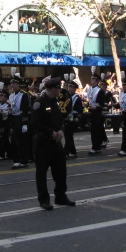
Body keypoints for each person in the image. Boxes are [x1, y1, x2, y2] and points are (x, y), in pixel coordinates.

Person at [31, 77, 76, 210]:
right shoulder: (39, 103)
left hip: (56, 143)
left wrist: (61, 131)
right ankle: (44, 199)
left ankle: (61, 196)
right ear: (52, 89)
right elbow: (36, 124)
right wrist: (51, 132)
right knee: (42, 173)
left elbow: (60, 119)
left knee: (61, 171)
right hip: (43, 142)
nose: (59, 91)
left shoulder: (55, 103)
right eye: (57, 88)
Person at [9, 76, 32, 168]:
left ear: (18, 84)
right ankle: (17, 159)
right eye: (11, 83)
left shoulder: (24, 94)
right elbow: (13, 108)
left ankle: (24, 160)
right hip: (14, 118)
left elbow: (26, 109)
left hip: (21, 118)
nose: (12, 85)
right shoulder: (11, 95)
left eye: (14, 83)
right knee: (14, 140)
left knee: (22, 141)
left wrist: (25, 123)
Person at [87, 73, 107, 154]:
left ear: (96, 80)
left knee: (96, 130)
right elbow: (88, 99)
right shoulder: (90, 89)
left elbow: (101, 104)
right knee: (93, 130)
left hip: (97, 113)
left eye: (93, 79)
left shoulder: (100, 90)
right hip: (91, 111)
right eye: (91, 79)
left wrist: (96, 107)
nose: (91, 80)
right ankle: (95, 145)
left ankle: (96, 147)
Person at [64, 80, 82, 157]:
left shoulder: (77, 98)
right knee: (68, 135)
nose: (69, 88)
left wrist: (78, 118)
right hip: (68, 118)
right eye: (69, 87)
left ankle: (66, 152)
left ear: (75, 88)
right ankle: (73, 151)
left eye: (71, 87)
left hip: (73, 118)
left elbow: (80, 111)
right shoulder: (67, 96)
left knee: (69, 136)